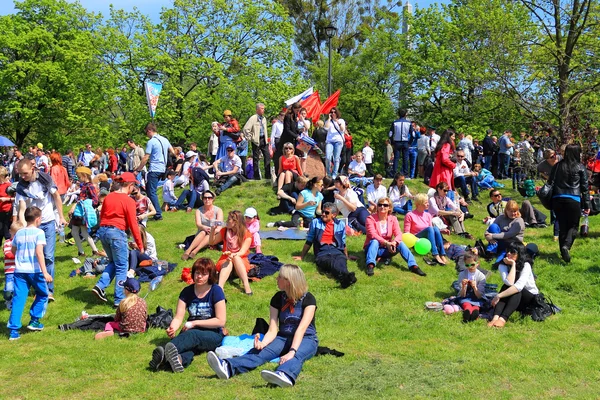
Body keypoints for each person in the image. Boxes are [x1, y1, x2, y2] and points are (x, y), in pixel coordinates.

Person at [207, 264, 317, 388]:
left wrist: (291, 351)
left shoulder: (309, 299)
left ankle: (284, 375)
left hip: (307, 338)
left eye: (280, 277)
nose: (276, 279)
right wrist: (263, 344)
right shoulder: (277, 298)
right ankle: (227, 367)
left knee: (296, 356)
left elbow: (301, 329)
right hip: (283, 337)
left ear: (288, 281)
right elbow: (273, 328)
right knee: (261, 352)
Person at [150, 258, 226, 372]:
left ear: (210, 275)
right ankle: (178, 361)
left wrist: (195, 323)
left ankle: (164, 354)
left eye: (204, 274)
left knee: (193, 335)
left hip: (213, 334)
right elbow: (178, 317)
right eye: (197, 273)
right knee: (190, 348)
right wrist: (173, 328)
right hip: (190, 330)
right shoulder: (187, 291)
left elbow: (221, 321)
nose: (199, 276)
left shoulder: (216, 290)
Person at [14, 159, 67, 301]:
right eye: (20, 174)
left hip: (47, 221)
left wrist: (61, 217)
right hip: (32, 225)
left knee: (48, 256)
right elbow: (22, 207)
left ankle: (49, 290)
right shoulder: (21, 185)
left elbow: (56, 196)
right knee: (34, 256)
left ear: (32, 168)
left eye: (25, 173)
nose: (23, 176)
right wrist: (24, 226)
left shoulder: (45, 178)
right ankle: (38, 286)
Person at [92, 172, 144, 307]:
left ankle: (100, 286)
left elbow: (102, 216)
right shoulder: (129, 201)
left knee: (114, 262)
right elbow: (133, 224)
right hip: (117, 233)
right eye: (134, 186)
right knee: (122, 265)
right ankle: (119, 300)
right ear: (130, 185)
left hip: (103, 231)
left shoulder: (109, 197)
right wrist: (140, 244)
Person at [7, 207, 52, 340]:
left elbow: (13, 250)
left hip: (19, 271)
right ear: (38, 219)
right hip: (35, 270)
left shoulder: (19, 233)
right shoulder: (39, 233)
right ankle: (34, 320)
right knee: (43, 294)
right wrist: (45, 273)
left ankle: (13, 331)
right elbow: (39, 253)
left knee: (18, 299)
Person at [294, 203, 357, 288]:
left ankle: (345, 278)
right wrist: (302, 256)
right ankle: (346, 277)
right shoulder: (315, 222)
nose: (323, 214)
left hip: (336, 249)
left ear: (334, 215)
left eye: (326, 213)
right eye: (323, 212)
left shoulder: (340, 224)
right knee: (331, 262)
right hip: (322, 251)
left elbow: (343, 242)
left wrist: (346, 256)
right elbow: (309, 240)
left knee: (341, 260)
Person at [548, 143, 590, 263]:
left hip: (558, 198)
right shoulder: (580, 167)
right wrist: (586, 205)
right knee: (573, 226)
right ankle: (566, 246)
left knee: (562, 226)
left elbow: (550, 181)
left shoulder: (557, 166)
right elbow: (584, 188)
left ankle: (563, 252)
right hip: (573, 199)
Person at [365, 197, 425, 277]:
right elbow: (372, 234)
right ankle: (370, 265)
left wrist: (394, 242)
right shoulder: (370, 219)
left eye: (385, 205)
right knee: (375, 241)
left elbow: (399, 233)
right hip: (372, 247)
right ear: (377, 206)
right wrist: (386, 243)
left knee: (400, 243)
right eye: (380, 205)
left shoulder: (393, 219)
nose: (382, 207)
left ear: (389, 207)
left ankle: (413, 266)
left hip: (388, 248)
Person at [488, 243, 538, 328]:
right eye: (508, 251)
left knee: (517, 290)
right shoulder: (503, 265)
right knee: (506, 287)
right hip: (514, 300)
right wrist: (513, 266)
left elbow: (518, 287)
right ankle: (495, 318)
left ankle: (503, 318)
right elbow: (509, 282)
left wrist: (498, 295)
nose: (509, 254)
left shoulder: (526, 265)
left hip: (529, 298)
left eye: (513, 252)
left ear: (520, 253)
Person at [133, 122, 175, 221]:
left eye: (146, 133)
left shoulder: (151, 142)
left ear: (149, 131)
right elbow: (172, 151)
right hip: (163, 169)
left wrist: (138, 169)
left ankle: (157, 213)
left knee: (151, 192)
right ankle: (153, 210)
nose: (147, 135)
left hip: (155, 168)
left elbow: (146, 157)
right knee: (150, 190)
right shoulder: (165, 139)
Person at [208, 210, 253, 295]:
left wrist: (232, 255)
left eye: (229, 220)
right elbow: (211, 242)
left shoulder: (246, 234)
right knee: (228, 260)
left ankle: (246, 285)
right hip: (225, 259)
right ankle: (220, 287)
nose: (226, 221)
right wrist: (213, 230)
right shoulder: (225, 231)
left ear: (235, 222)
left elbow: (242, 252)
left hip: (240, 260)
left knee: (235, 257)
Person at [404, 193, 448, 265]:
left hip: (426, 238)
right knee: (430, 229)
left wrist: (442, 231)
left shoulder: (428, 215)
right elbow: (407, 233)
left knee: (435, 229)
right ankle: (435, 254)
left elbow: (432, 230)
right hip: (416, 238)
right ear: (419, 204)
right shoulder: (410, 215)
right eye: (426, 203)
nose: (428, 204)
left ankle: (442, 254)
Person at [68, 167, 102, 257]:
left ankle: (91, 250)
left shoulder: (90, 186)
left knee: (82, 232)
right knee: (76, 232)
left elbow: (95, 200)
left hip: (83, 212)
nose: (78, 179)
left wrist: (84, 201)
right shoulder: (83, 186)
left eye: (79, 177)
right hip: (79, 211)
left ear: (84, 176)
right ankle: (83, 251)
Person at [181, 190, 223, 260]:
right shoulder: (198, 211)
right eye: (205, 198)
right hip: (202, 232)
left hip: (215, 233)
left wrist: (212, 230)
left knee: (209, 234)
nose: (207, 200)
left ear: (213, 199)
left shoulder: (218, 210)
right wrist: (204, 227)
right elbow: (198, 224)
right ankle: (188, 251)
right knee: (203, 232)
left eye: (209, 198)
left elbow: (219, 227)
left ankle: (195, 251)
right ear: (202, 199)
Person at [243, 103, 271, 180]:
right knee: (255, 158)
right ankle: (256, 176)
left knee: (267, 156)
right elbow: (246, 129)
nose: (263, 110)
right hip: (256, 140)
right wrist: (251, 137)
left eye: (263, 108)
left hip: (263, 139)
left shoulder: (264, 118)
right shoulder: (253, 118)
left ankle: (268, 175)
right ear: (257, 109)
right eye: (262, 108)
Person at [457, 251, 486, 323]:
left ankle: (475, 311)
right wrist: (464, 287)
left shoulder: (481, 276)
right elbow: (462, 295)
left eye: (472, 265)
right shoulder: (462, 274)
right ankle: (467, 311)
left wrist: (475, 287)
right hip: (466, 295)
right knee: (465, 302)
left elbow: (479, 296)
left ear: (477, 264)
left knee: (478, 303)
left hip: (477, 295)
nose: (470, 267)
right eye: (467, 265)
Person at [274, 103, 302, 175]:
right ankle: (280, 173)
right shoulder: (288, 116)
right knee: (283, 155)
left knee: (292, 156)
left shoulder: (295, 116)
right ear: (293, 109)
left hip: (292, 139)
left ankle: (293, 172)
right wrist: (296, 136)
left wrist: (300, 131)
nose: (297, 112)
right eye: (297, 110)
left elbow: (294, 129)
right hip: (286, 139)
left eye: (299, 110)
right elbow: (287, 129)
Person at [389, 109, 412, 176]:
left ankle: (394, 173)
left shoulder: (395, 122)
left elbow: (390, 134)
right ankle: (405, 173)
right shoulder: (408, 123)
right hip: (405, 142)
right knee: (405, 158)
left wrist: (392, 143)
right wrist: (410, 142)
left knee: (396, 158)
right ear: (405, 114)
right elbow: (413, 134)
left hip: (397, 142)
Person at [324, 107, 345, 178]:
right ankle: (328, 173)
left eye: (334, 112)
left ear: (337, 113)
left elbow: (342, 129)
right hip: (330, 141)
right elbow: (326, 128)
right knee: (328, 157)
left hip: (338, 141)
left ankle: (334, 174)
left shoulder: (341, 120)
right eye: (331, 112)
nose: (333, 113)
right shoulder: (329, 121)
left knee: (336, 158)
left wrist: (337, 122)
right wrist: (329, 119)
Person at [3, 222, 20, 310]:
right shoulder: (7, 243)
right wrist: (19, 254)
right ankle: (7, 298)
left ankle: (13, 301)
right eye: (14, 234)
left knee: (17, 287)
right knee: (9, 288)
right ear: (10, 232)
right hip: (9, 270)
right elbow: (8, 254)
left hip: (19, 270)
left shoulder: (21, 243)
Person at [0, 167, 13, 247]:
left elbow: (16, 198)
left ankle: (10, 250)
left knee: (6, 231)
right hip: (0, 212)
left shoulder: (9, 186)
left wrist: (6, 199)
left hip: (7, 211)